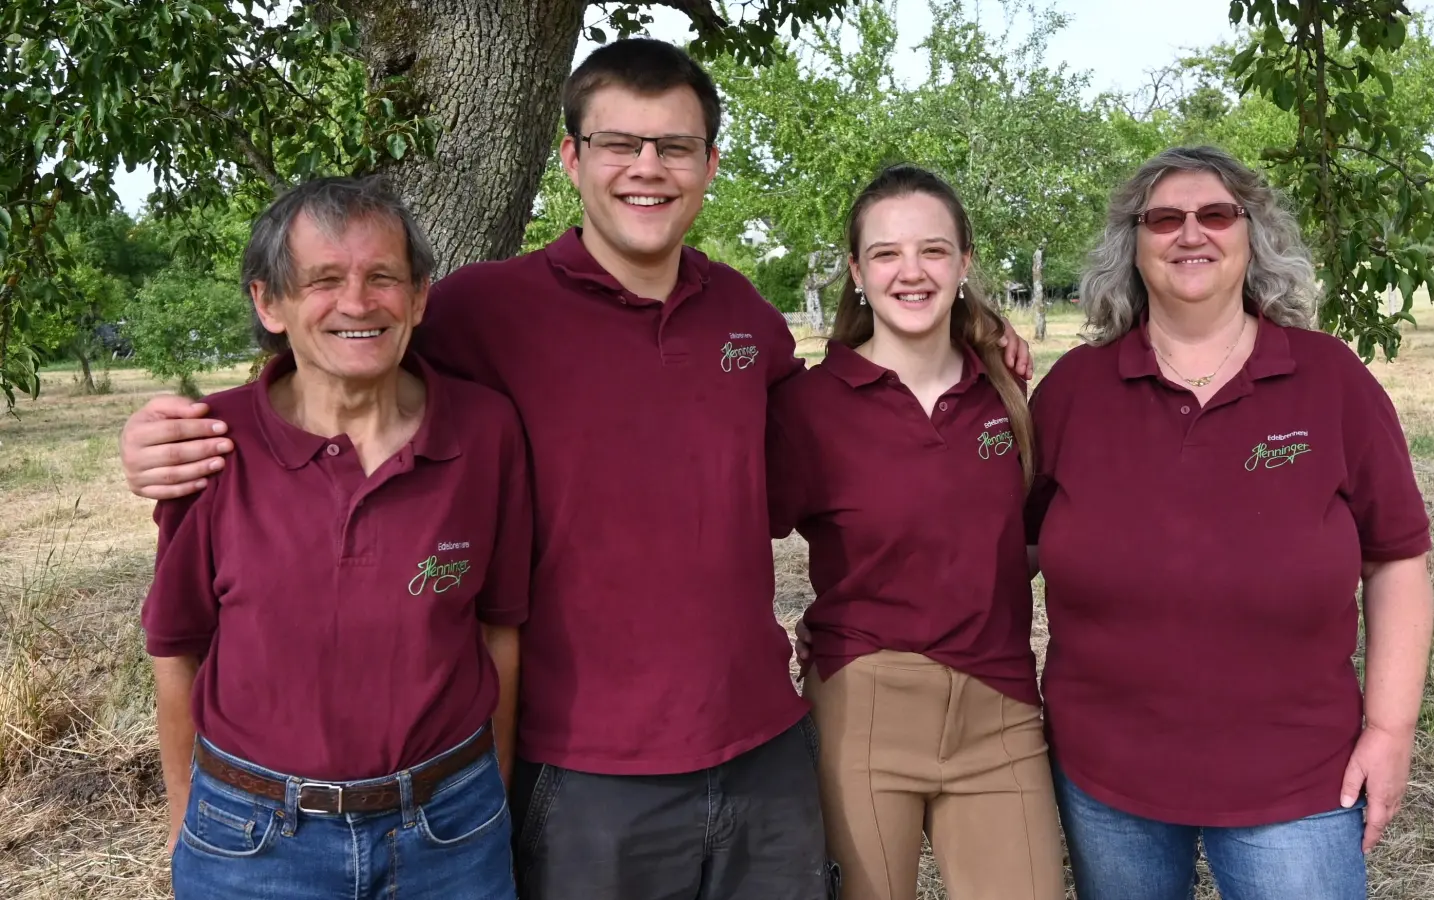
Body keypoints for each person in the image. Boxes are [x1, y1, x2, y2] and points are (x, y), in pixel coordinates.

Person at [119, 39, 1034, 900]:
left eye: (675, 146)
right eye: (619, 144)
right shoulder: (484, 311)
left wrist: (968, 339)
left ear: (710, 165)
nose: (648, 167)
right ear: (571, 158)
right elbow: (343, 356)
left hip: (762, 747)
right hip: (585, 770)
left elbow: (848, 405)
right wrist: (172, 434)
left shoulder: (742, 316)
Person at [1023, 145, 1434, 900]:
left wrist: (1390, 732)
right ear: (1132, 245)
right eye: (1164, 219)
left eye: (1216, 214)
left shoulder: (1330, 379)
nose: (1191, 234)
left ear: (1253, 234)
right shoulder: (1075, 391)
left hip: (1297, 775)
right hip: (1107, 773)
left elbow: (1397, 561)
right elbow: (1009, 547)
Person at [142, 176, 529, 899]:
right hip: (253, 842)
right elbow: (175, 647)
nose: (357, 302)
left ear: (418, 296)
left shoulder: (485, 432)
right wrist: (185, 823)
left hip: (451, 831)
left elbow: (498, 631)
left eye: (383, 277)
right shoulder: (211, 444)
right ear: (270, 303)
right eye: (323, 280)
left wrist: (491, 803)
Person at [767, 165, 1064, 900]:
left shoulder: (1005, 392)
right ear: (856, 272)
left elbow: (1022, 543)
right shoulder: (808, 407)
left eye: (933, 250)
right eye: (886, 254)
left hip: (1000, 706)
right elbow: (735, 540)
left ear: (964, 264)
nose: (911, 272)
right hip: (863, 705)